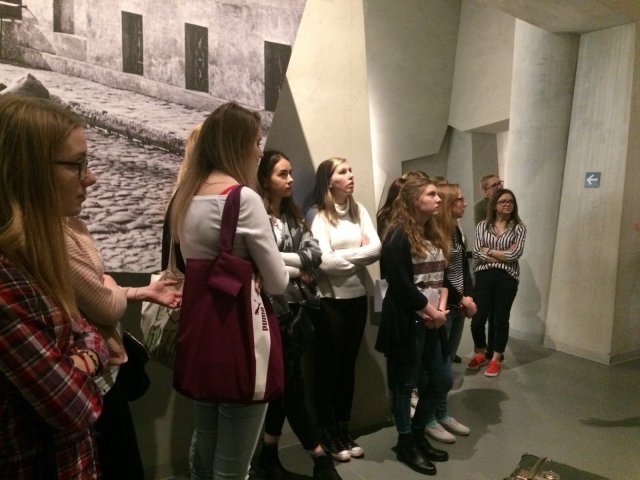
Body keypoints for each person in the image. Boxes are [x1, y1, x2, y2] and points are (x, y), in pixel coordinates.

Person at [169, 102, 289, 480]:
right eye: (255, 142)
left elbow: (190, 264)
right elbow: (278, 281)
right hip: (241, 336)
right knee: (234, 465)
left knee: (206, 443)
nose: (259, 151)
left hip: (202, 335)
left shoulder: (184, 196)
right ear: (237, 145)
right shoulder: (243, 199)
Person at [0, 94, 109, 478]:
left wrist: (81, 358)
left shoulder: (32, 259)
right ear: (27, 170)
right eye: (76, 164)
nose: (90, 178)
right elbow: (75, 406)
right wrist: (88, 357)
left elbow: (90, 332)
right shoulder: (5, 281)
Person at [65, 220, 181, 477]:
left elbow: (99, 292)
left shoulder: (72, 224)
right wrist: (106, 287)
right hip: (95, 380)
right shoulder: (57, 235)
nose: (84, 200)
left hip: (104, 371)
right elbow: (106, 307)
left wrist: (126, 289)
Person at [252, 150, 342, 480]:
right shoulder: (256, 217)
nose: (290, 179)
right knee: (291, 389)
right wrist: (294, 267)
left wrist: (280, 262)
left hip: (295, 312)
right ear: (265, 180)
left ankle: (268, 457)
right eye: (282, 174)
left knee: (285, 388)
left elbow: (314, 254)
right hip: (268, 313)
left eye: (290, 172)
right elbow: (260, 261)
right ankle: (319, 458)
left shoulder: (292, 216)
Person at [305, 157, 381, 461]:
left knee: (348, 366)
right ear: (328, 180)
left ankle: (343, 426)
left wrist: (343, 255)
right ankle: (327, 430)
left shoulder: (359, 210)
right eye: (343, 172)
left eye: (351, 170)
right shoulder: (318, 215)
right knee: (328, 368)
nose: (350, 175)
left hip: (357, 297)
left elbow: (377, 249)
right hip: (329, 302)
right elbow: (324, 262)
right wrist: (358, 253)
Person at [374, 174, 450, 475]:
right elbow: (401, 285)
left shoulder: (432, 231)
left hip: (432, 318)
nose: (438, 199)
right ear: (413, 199)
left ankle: (417, 432)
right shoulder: (397, 236)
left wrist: (440, 310)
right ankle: (406, 441)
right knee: (404, 384)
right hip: (408, 321)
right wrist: (431, 312)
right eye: (431, 194)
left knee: (441, 380)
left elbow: (441, 276)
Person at [427, 183, 477, 444]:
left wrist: (469, 297)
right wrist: (461, 298)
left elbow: (463, 269)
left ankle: (442, 412)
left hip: (457, 305)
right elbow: (441, 275)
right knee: (436, 365)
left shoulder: (456, 230)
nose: (464, 203)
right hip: (442, 306)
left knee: (446, 362)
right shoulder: (436, 232)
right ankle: (429, 418)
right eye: (459, 199)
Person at [468, 188, 526, 377]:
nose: (507, 204)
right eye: (503, 201)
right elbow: (477, 252)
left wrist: (490, 251)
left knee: (501, 319)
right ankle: (481, 351)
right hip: (484, 275)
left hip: (507, 277)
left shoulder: (519, 228)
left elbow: (515, 254)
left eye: (510, 201)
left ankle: (496, 358)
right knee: (478, 319)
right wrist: (502, 254)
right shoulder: (482, 226)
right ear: (494, 205)